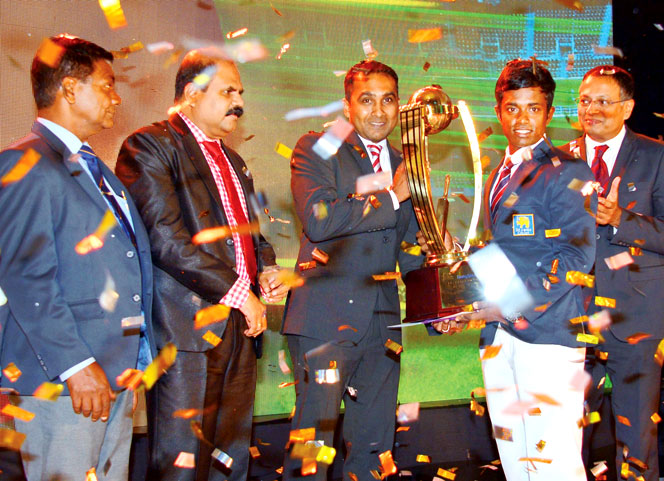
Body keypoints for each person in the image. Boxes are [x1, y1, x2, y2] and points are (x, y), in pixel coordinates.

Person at [115, 49, 287, 480]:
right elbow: (164, 238)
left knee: (230, 458)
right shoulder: (150, 144)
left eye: (241, 92)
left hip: (239, 330)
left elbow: (252, 238)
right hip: (185, 331)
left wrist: (265, 269)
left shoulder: (234, 160)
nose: (239, 103)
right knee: (182, 462)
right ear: (191, 94)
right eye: (228, 91)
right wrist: (239, 293)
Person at [0, 34, 153, 480]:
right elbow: (26, 276)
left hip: (111, 374)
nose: (115, 96)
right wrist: (75, 366)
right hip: (67, 379)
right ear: (69, 88)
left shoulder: (93, 166)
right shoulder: (24, 163)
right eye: (106, 84)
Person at [440, 59, 597, 481]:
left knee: (554, 462)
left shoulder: (569, 171)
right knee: (515, 459)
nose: (522, 119)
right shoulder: (498, 172)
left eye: (533, 108)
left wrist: (502, 307)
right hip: (500, 338)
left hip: (548, 337)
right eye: (513, 108)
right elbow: (504, 252)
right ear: (499, 110)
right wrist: (460, 289)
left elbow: (577, 257)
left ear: (548, 113)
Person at [281, 60, 423, 481]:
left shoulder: (403, 161)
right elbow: (319, 218)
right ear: (347, 105)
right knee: (312, 449)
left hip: (382, 328)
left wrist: (445, 297)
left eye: (388, 100)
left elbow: (410, 250)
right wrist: (392, 198)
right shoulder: (321, 144)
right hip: (324, 321)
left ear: (399, 106)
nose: (378, 111)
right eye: (366, 100)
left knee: (375, 448)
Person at [564, 65, 664, 481]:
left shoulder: (658, 155)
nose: (592, 110)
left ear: (627, 107)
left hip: (636, 319)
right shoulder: (560, 159)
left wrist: (620, 219)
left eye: (603, 101)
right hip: (570, 320)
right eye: (585, 101)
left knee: (636, 443)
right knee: (564, 438)